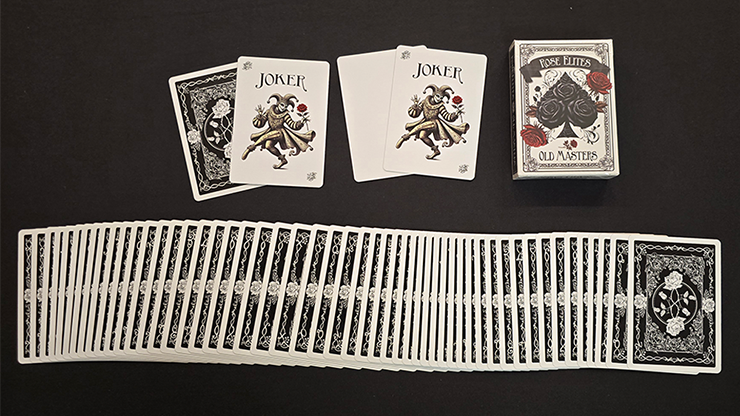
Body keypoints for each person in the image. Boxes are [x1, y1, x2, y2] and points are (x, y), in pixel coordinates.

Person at [241, 93, 314, 169]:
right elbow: (260, 124)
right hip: (270, 132)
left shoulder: (285, 115)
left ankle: (251, 148)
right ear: (278, 103)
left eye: (286, 106)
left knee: (267, 136)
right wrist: (259, 118)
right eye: (282, 105)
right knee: (268, 146)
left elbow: (292, 125)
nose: (283, 108)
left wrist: (301, 122)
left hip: (280, 133)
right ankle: (283, 160)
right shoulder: (269, 111)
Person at [396, 84, 469, 160]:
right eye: (437, 96)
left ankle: (405, 137)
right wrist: (415, 107)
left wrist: (455, 114)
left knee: (420, 127)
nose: (439, 99)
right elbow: (416, 114)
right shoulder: (425, 102)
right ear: (433, 95)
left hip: (434, 123)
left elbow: (447, 116)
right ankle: (436, 150)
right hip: (425, 122)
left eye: (441, 98)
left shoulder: (440, 106)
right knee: (422, 136)